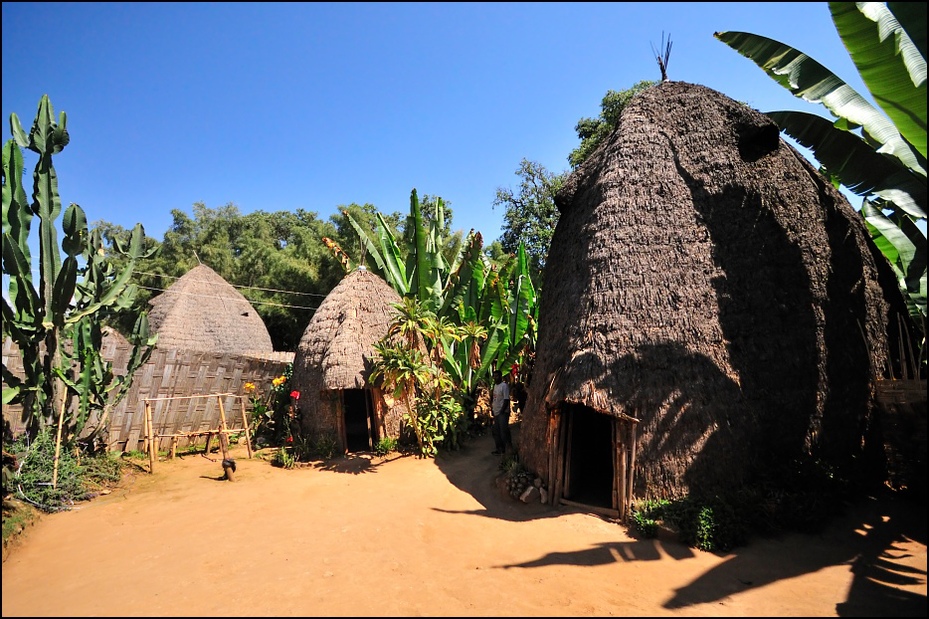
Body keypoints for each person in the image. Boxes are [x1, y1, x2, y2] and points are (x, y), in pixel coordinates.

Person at [490, 369, 512, 455]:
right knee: (496, 431)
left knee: (503, 431)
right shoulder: (495, 386)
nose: (495, 378)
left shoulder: (504, 386)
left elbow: (506, 399)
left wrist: (502, 411)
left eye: (497, 376)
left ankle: (507, 449)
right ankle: (499, 449)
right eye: (494, 376)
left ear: (501, 377)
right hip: (496, 412)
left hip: (502, 412)